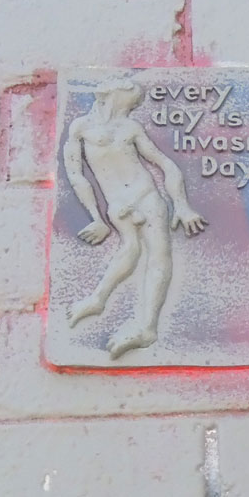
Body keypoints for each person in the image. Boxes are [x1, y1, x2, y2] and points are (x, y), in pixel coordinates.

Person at [63, 79, 206, 358]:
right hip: (117, 204)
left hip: (146, 195)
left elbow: (166, 164)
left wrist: (182, 205)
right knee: (129, 248)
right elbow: (76, 176)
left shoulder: (131, 128)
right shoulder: (80, 127)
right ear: (114, 93)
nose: (136, 103)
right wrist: (96, 217)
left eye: (137, 101)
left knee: (158, 256)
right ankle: (98, 298)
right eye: (131, 98)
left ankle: (147, 327)